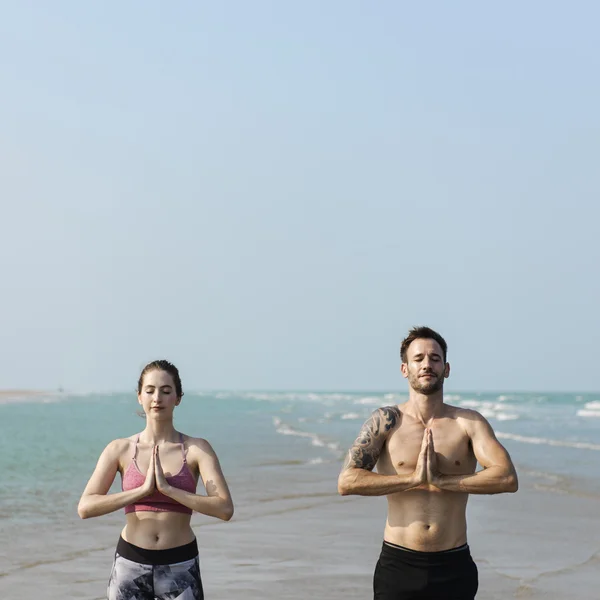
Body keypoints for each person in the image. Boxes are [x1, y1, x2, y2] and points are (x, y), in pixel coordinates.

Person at [338, 327, 518, 600]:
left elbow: (507, 478)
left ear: (446, 369)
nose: (426, 364)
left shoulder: (468, 422)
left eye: (435, 358)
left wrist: (443, 480)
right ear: (404, 369)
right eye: (418, 358)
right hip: (398, 565)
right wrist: (413, 479)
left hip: (454, 566)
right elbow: (347, 481)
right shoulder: (386, 421)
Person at [78, 360, 233, 600]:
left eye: (166, 390)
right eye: (149, 390)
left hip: (180, 565)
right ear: (139, 396)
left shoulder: (196, 449)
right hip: (130, 564)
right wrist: (140, 491)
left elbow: (224, 509)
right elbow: (86, 507)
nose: (157, 397)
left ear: (178, 398)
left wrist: (170, 490)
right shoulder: (119, 449)